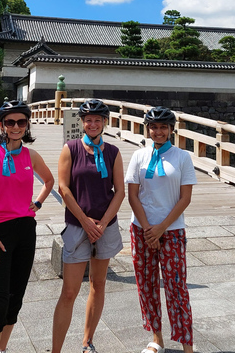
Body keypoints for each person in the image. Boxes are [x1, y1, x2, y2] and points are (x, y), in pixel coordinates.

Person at [0, 100, 55, 353]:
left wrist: (38, 203)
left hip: (25, 231)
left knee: (15, 299)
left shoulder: (31, 155)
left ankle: (2, 348)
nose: (16, 127)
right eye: (10, 122)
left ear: (27, 124)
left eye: (21, 121)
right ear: (1, 125)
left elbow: (49, 180)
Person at [51, 99, 125, 353]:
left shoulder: (113, 152)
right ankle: (56, 349)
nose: (93, 124)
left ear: (105, 122)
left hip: (105, 226)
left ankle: (87, 341)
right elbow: (63, 188)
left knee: (98, 283)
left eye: (98, 120)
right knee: (69, 291)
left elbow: (120, 191)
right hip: (76, 225)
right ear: (82, 123)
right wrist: (85, 221)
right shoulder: (70, 148)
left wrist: (102, 223)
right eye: (88, 120)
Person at [126, 106, 196, 353]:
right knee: (147, 284)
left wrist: (161, 229)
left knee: (177, 288)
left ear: (171, 130)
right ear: (147, 129)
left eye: (163, 127)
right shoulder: (138, 156)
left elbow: (185, 198)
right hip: (141, 230)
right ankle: (157, 339)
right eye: (154, 127)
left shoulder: (182, 157)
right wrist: (148, 229)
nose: (158, 132)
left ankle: (187, 344)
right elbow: (132, 195)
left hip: (172, 230)